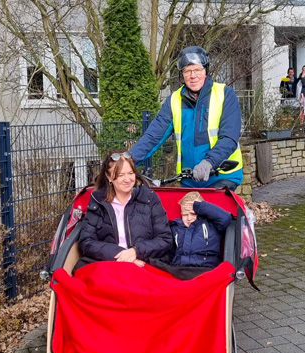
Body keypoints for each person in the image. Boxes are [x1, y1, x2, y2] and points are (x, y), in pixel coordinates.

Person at [129, 46, 243, 190]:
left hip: (222, 176)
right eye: (187, 71)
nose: (192, 75)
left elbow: (229, 137)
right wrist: (128, 160)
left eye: (197, 70)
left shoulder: (225, 94)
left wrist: (209, 162)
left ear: (206, 71)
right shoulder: (174, 100)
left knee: (211, 211)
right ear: (182, 74)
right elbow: (153, 136)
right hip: (189, 180)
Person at [76, 151, 173, 271]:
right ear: (109, 176)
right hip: (109, 264)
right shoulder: (98, 201)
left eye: (131, 173)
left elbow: (165, 239)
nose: (127, 179)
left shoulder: (149, 198)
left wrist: (136, 252)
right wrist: (123, 256)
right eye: (121, 175)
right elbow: (87, 241)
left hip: (146, 264)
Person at [170, 192, 232, 268]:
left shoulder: (211, 225)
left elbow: (226, 218)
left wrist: (199, 206)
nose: (189, 218)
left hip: (206, 267)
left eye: (193, 214)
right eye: (185, 215)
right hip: (180, 268)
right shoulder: (176, 227)